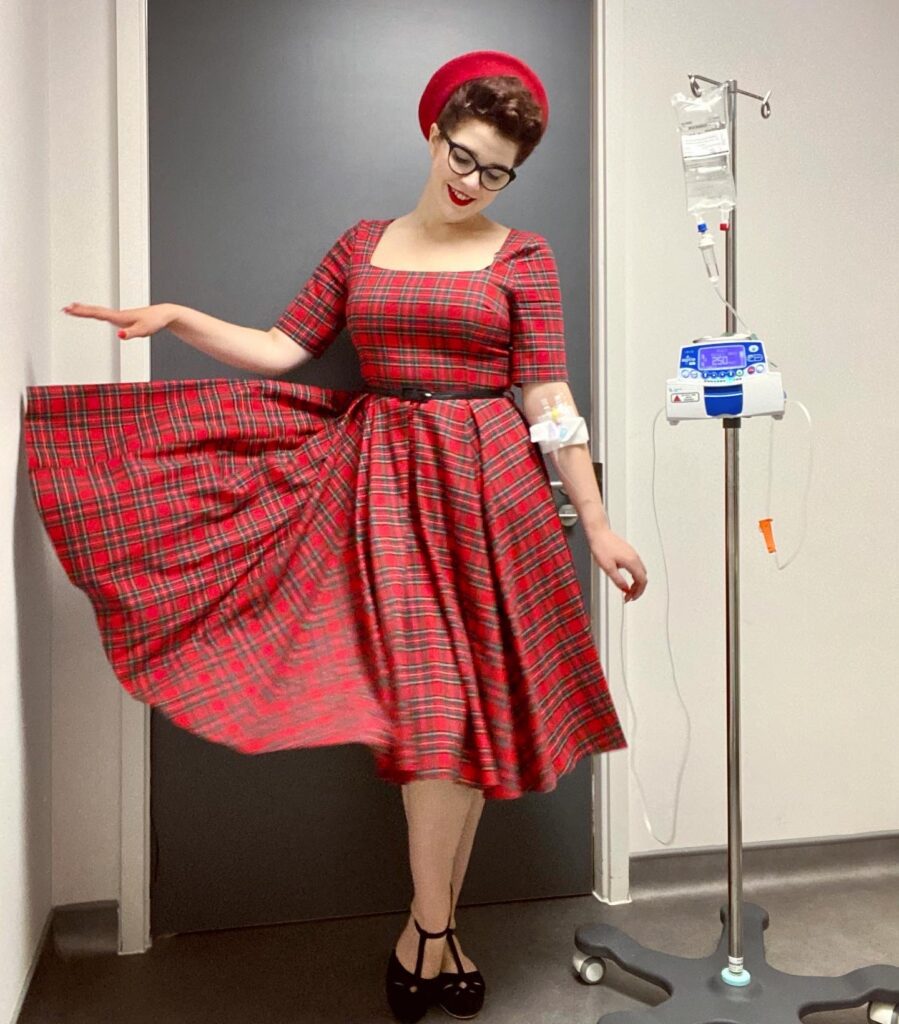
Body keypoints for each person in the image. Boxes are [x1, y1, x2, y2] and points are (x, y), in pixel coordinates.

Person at [24, 50, 646, 1023]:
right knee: (433, 721)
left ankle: (424, 931)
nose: (470, 179)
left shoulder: (521, 256)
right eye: (461, 152)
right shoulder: (361, 246)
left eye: (494, 170)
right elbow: (282, 348)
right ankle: (434, 929)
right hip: (384, 490)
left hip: (490, 492)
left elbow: (546, 393)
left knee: (465, 730)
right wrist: (178, 316)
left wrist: (597, 521)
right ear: (431, 130)